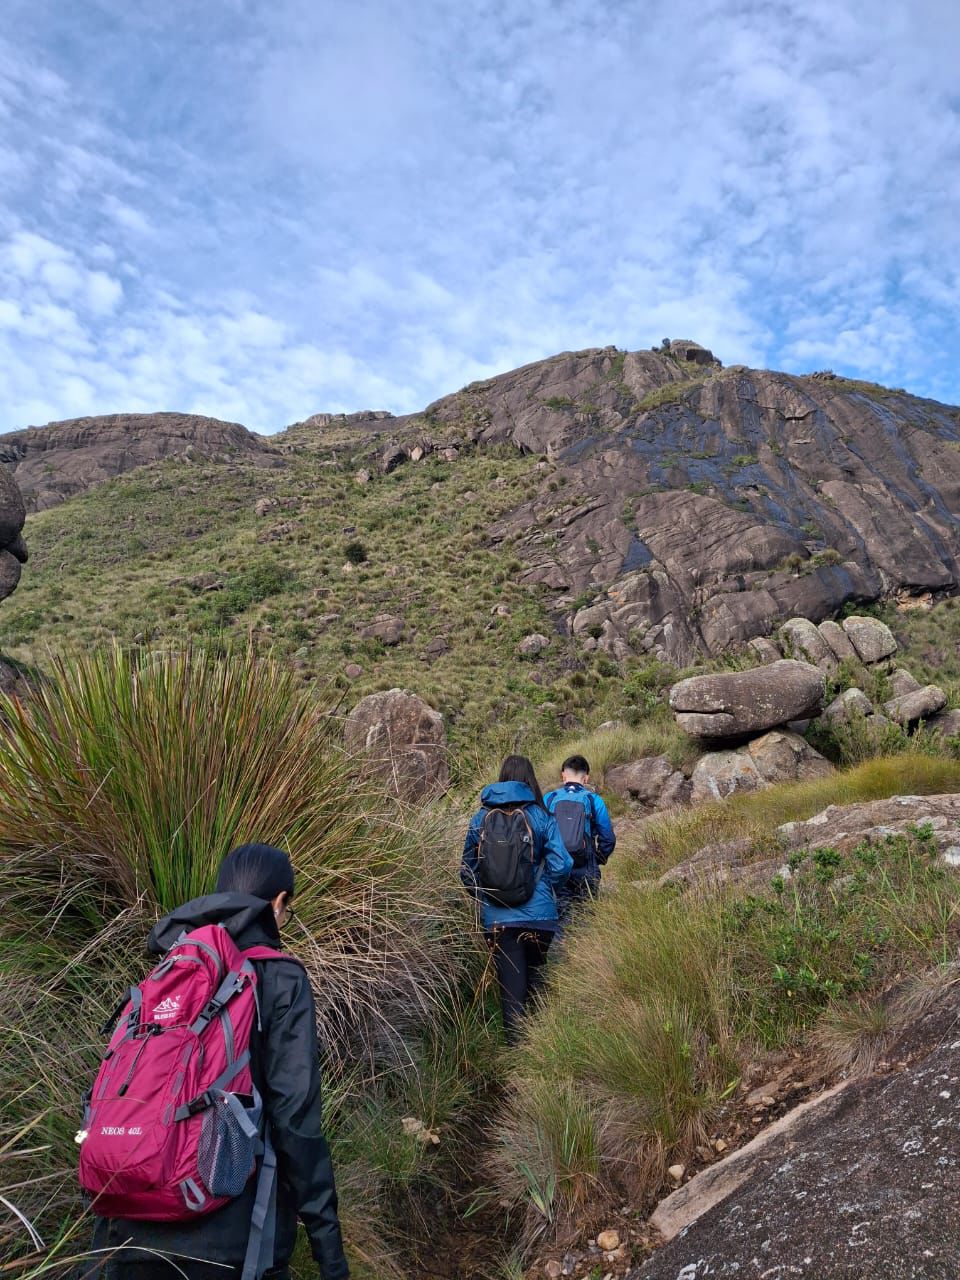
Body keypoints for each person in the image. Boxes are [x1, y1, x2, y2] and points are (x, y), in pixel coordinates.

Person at [90, 843, 349, 1280]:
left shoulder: (167, 972)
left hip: (130, 1233)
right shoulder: (282, 979)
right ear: (278, 903)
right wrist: (331, 1257)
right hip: (235, 1245)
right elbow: (296, 1124)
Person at [461, 755, 572, 1043]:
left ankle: (517, 1052)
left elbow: (467, 871)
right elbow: (563, 865)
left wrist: (488, 895)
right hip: (540, 918)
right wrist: (545, 888)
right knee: (535, 981)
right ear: (530, 779)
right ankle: (542, 1049)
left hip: (498, 921)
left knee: (512, 991)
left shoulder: (481, 818)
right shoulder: (541, 816)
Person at [544, 754, 616, 920]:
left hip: (555, 865)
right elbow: (608, 838)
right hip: (585, 866)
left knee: (558, 917)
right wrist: (598, 858)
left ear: (563, 775)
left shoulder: (549, 798)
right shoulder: (593, 800)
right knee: (585, 918)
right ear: (586, 778)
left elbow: (539, 832)